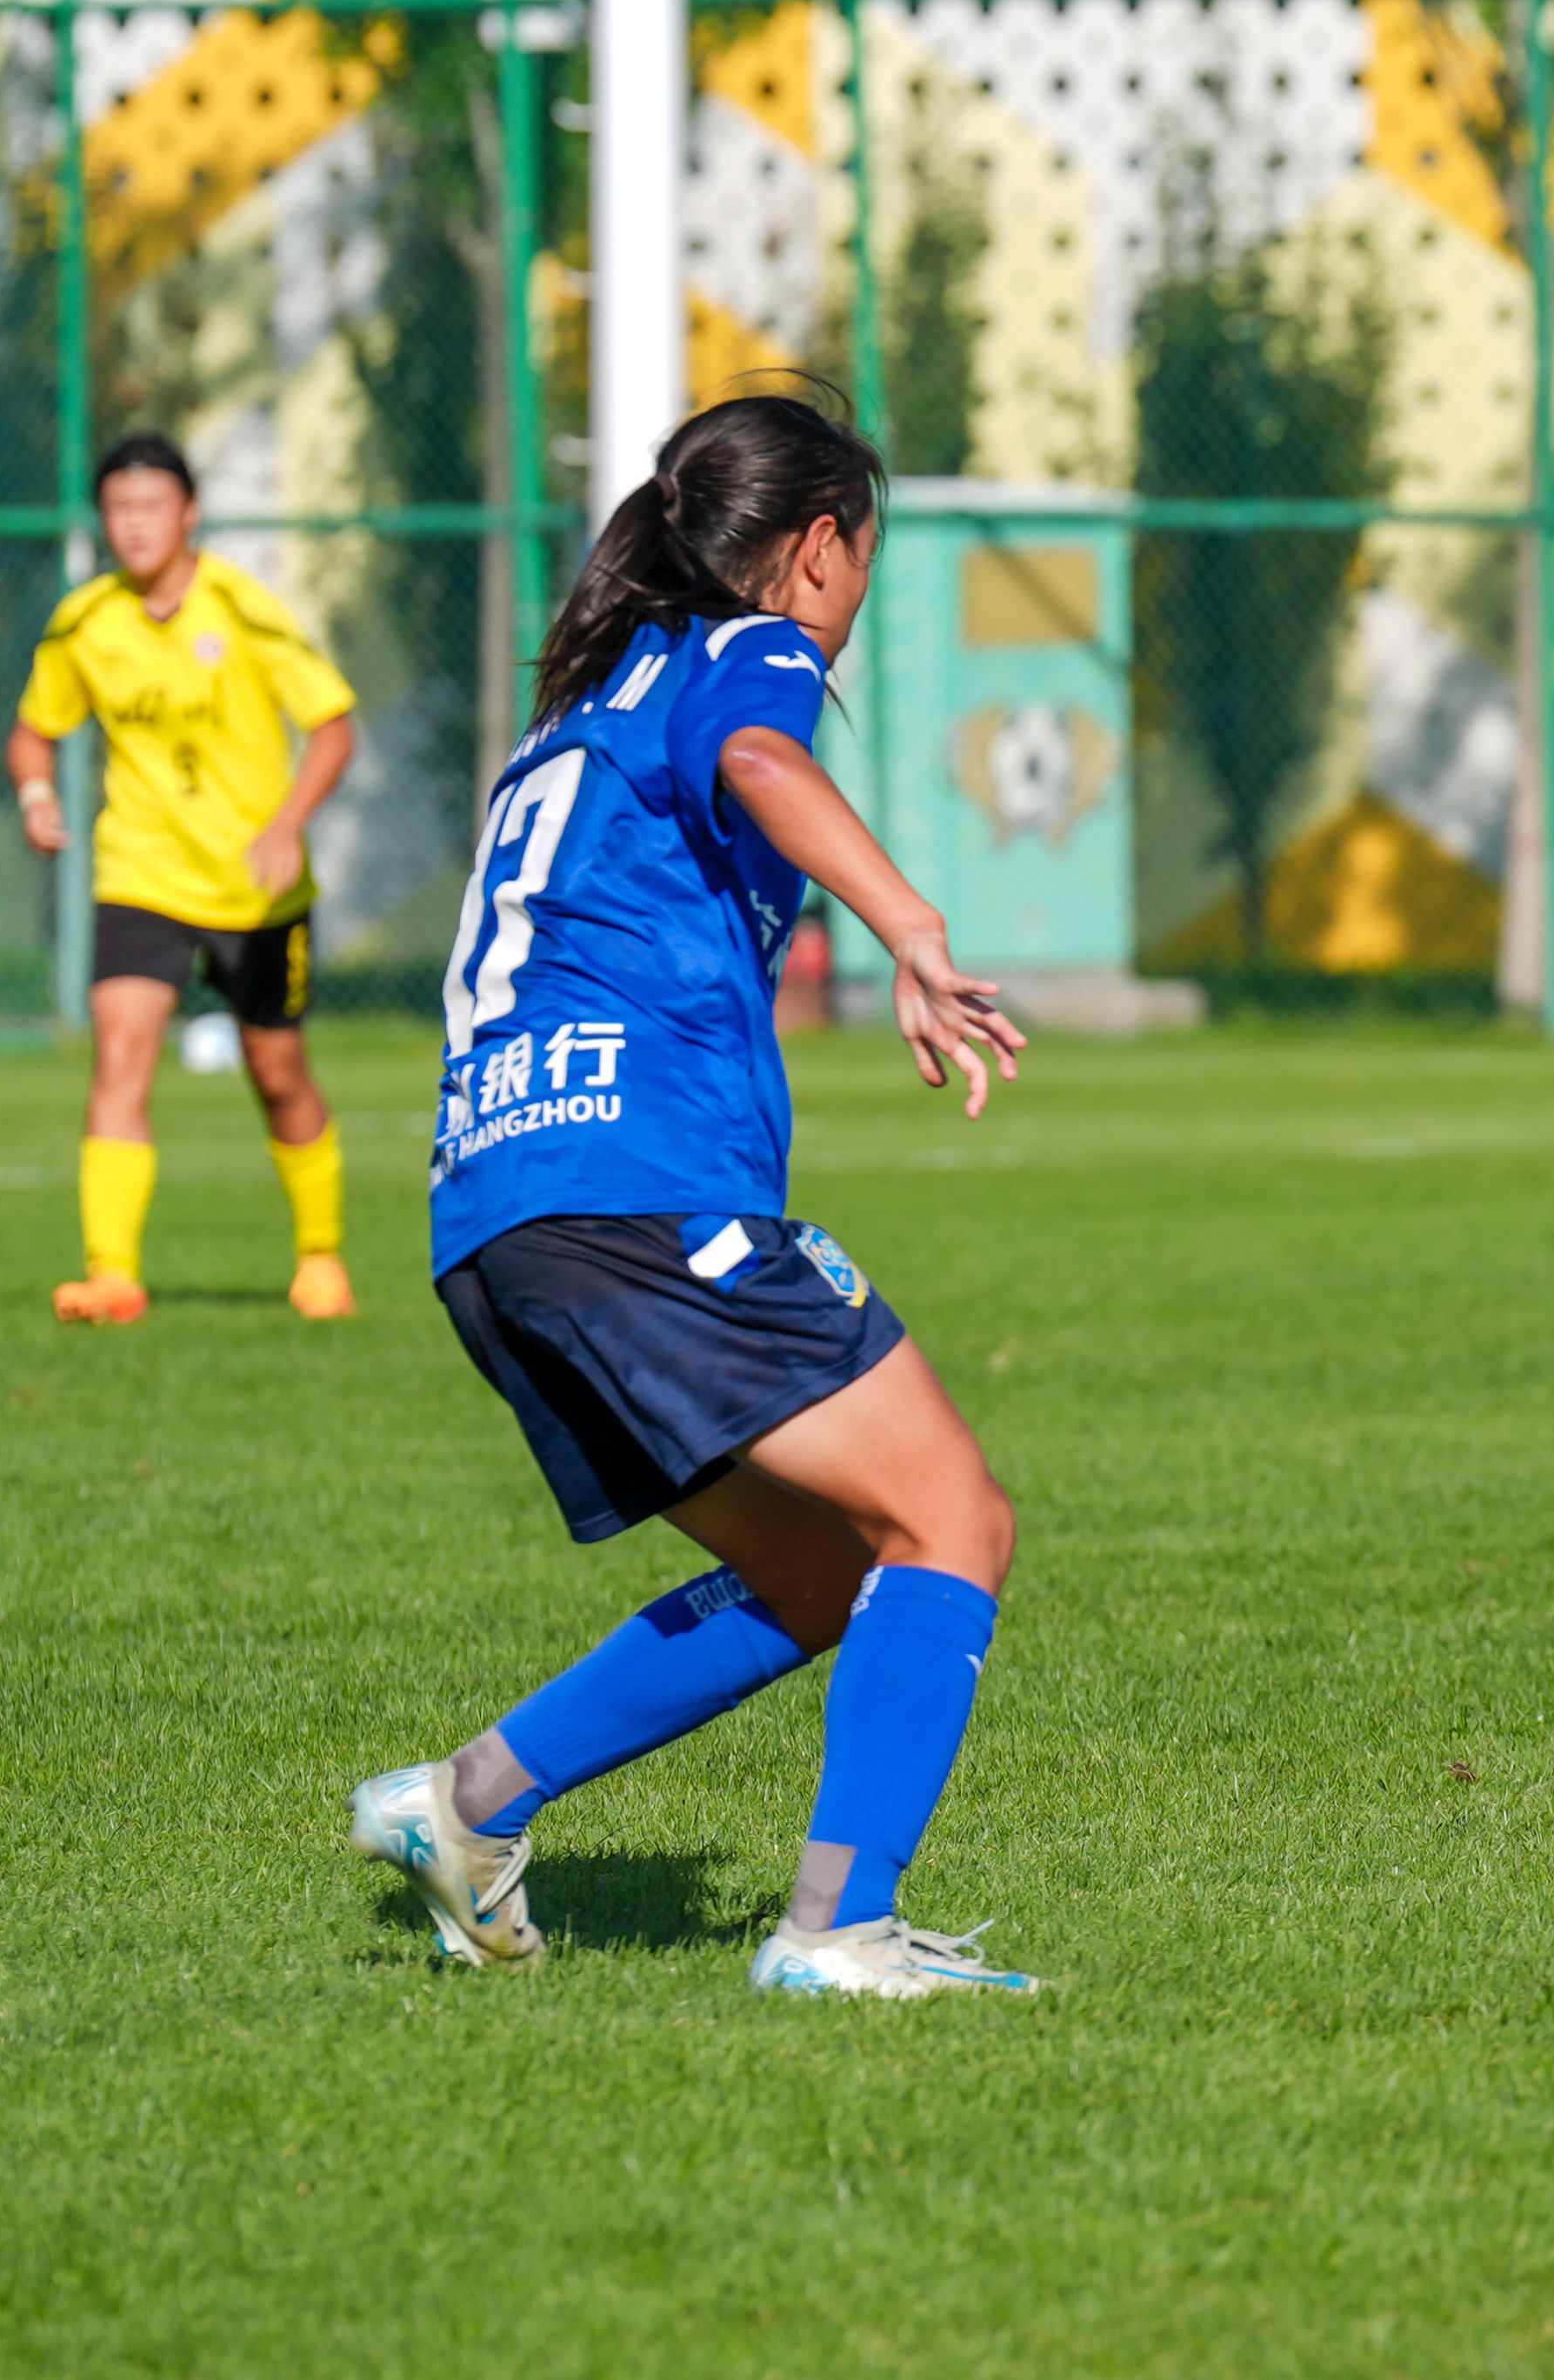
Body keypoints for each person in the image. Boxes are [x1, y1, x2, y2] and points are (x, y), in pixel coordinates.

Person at [345, 393, 1041, 1999]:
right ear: (812, 551)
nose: (850, 605)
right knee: (953, 1515)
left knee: (813, 1571)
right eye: (858, 566)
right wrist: (911, 925)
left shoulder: (589, 700)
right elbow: (757, 751)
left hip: (493, 1218)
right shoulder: (743, 652)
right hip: (636, 1193)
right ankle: (835, 1931)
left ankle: (463, 1808)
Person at [8, 434, 362, 1323]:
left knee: (276, 1072)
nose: (132, 526)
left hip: (257, 887)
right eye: (118, 510)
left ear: (189, 513)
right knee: (120, 1057)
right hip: (140, 872)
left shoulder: (243, 608)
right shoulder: (85, 621)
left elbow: (333, 727)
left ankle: (320, 1256)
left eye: (150, 507)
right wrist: (35, 791)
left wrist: (285, 824)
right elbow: (32, 728)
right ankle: (112, 1272)